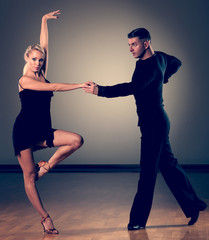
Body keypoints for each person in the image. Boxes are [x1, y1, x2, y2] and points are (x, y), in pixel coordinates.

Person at [83, 28, 207, 230]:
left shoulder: (147, 67)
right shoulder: (161, 58)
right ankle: (195, 205)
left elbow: (131, 87)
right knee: (169, 166)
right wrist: (163, 77)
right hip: (157, 121)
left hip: (153, 125)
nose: (130, 49)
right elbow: (177, 63)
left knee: (148, 173)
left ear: (146, 43)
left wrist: (100, 90)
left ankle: (138, 221)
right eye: (129, 44)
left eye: (134, 44)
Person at [12, 10, 85, 234]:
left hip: (43, 130)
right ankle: (45, 218)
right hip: (24, 131)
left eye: (40, 60)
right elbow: (54, 87)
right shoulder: (25, 80)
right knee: (29, 178)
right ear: (26, 58)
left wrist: (44, 20)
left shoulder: (41, 72)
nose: (38, 62)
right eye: (33, 59)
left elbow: (44, 46)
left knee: (76, 140)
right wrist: (80, 85)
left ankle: (45, 168)